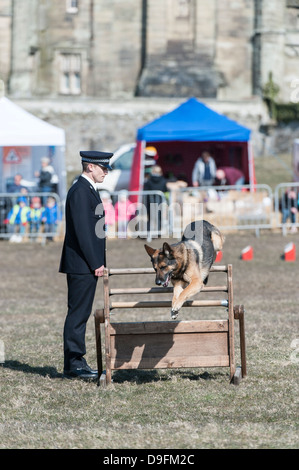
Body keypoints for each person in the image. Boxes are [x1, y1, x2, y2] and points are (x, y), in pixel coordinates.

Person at [59, 150, 113, 380]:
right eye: (103, 167)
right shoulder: (81, 190)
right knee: (78, 314)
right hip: (82, 263)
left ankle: (76, 361)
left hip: (85, 263)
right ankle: (74, 363)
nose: (106, 171)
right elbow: (83, 231)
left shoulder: (87, 189)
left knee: (81, 312)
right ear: (90, 166)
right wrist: (95, 262)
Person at [143, 165, 169, 234]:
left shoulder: (148, 181)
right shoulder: (163, 180)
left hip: (150, 203)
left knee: (151, 218)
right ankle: (158, 232)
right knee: (159, 218)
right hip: (159, 202)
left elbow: (145, 190)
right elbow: (165, 190)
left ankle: (149, 233)